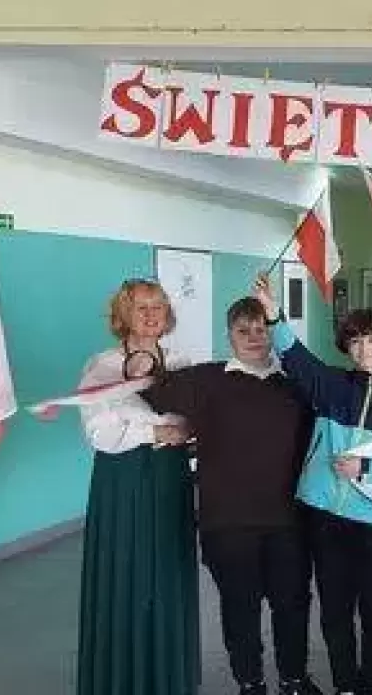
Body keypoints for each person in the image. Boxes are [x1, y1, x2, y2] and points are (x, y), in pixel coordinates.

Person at [253, 274, 372, 695]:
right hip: (326, 518)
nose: (365, 349)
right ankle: (345, 686)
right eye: (356, 342)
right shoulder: (330, 384)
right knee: (334, 613)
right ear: (347, 348)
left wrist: (366, 468)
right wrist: (273, 314)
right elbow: (294, 356)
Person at [142, 297, 322, 695]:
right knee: (240, 606)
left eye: (261, 329)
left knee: (292, 603)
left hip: (288, 519)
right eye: (243, 330)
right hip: (228, 521)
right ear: (230, 336)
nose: (254, 337)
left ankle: (294, 679)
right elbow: (151, 392)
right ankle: (250, 683)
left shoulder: (295, 385)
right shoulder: (206, 380)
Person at [74, 278, 200, 695]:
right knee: (124, 573)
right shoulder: (102, 366)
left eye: (158, 306)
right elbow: (99, 431)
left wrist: (184, 430)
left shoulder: (181, 362)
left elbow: (195, 418)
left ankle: (168, 680)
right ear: (123, 315)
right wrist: (157, 433)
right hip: (122, 481)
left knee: (167, 574)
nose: (150, 315)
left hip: (170, 479)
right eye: (140, 307)